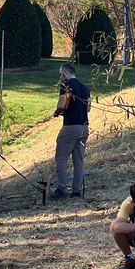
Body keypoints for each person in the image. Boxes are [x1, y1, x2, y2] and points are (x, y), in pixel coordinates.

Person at [51, 63, 90, 199]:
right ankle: (77, 190)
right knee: (78, 160)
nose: (60, 77)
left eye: (61, 74)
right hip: (84, 127)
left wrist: (56, 112)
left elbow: (62, 104)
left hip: (70, 126)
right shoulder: (85, 88)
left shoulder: (66, 86)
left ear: (66, 73)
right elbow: (88, 108)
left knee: (61, 158)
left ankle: (62, 189)